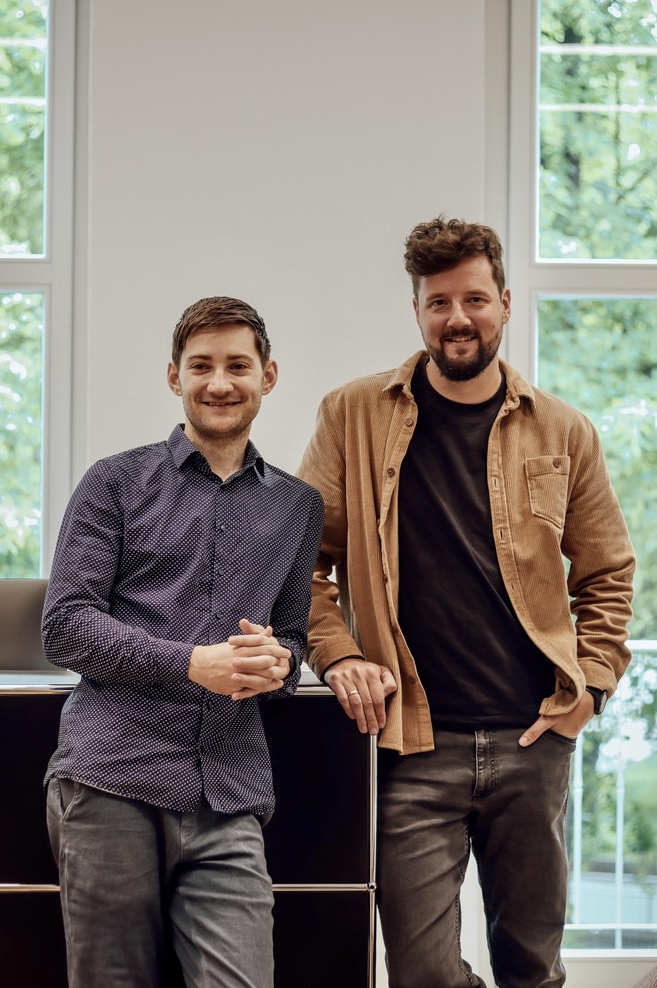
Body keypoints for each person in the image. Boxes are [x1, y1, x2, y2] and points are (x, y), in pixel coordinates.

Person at [297, 218, 635, 988]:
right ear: (416, 311)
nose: (458, 318)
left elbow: (607, 573)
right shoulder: (351, 414)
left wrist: (592, 686)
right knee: (419, 973)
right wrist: (340, 654)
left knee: (532, 965)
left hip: (531, 740)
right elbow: (299, 565)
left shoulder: (562, 430)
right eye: (439, 301)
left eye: (474, 299)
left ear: (505, 304)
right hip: (412, 746)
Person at [43, 296, 323, 988]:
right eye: (201, 366)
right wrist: (193, 663)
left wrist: (280, 663)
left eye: (237, 365)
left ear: (268, 376)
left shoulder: (298, 506)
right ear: (174, 377)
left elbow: (290, 635)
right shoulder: (114, 482)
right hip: (111, 778)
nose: (219, 382)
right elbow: (65, 624)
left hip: (228, 794)